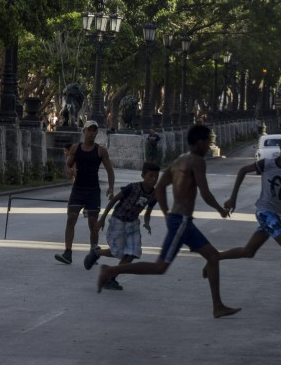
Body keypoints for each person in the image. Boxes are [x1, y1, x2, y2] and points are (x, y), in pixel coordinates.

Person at [96, 124, 240, 319]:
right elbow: (204, 192)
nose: (208, 146)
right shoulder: (197, 161)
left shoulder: (180, 160)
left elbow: (161, 187)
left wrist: (166, 213)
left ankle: (218, 306)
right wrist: (220, 209)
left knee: (213, 257)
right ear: (199, 142)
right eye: (207, 142)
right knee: (160, 267)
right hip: (181, 221)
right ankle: (110, 270)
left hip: (181, 221)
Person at [217, 133, 281, 306]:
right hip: (264, 212)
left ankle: (214, 258)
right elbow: (242, 170)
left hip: (275, 215)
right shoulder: (267, 164)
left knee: (248, 251)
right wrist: (233, 199)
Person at [83, 161, 161, 290]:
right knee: (118, 252)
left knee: (132, 253)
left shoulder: (155, 194)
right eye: (150, 176)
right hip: (118, 220)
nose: (153, 179)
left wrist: (147, 222)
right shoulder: (132, 187)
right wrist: (102, 219)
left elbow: (148, 211)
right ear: (143, 175)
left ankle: (111, 278)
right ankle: (97, 252)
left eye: (156, 177)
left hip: (133, 224)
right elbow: (114, 200)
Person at [54, 120, 115, 265]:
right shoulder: (75, 148)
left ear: (96, 133)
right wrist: (69, 171)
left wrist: (111, 188)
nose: (91, 133)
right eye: (89, 130)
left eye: (94, 131)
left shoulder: (101, 151)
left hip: (93, 190)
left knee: (93, 223)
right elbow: (67, 167)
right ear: (84, 132)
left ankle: (93, 252)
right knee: (71, 218)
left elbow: (110, 170)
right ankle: (67, 253)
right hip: (78, 189)